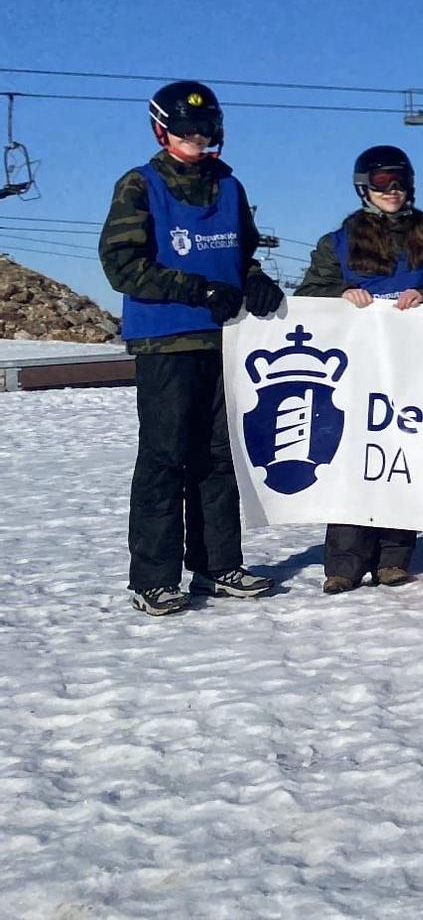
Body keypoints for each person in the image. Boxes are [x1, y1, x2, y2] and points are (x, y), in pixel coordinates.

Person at [100, 81, 284, 615]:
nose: (195, 138)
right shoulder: (140, 184)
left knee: (220, 456)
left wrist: (254, 279)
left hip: (225, 340)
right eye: (184, 129)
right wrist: (196, 289)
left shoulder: (229, 186)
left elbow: (245, 251)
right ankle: (153, 578)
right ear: (162, 130)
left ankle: (217, 565)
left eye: (204, 129)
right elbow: (122, 264)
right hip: (166, 341)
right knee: (166, 456)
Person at [295, 145, 423, 593]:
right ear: (364, 188)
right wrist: (340, 294)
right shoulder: (338, 241)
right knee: (353, 459)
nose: (392, 191)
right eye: (382, 182)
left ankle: (393, 557)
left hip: (408, 367)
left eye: (400, 182)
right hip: (355, 369)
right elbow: (310, 293)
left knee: (399, 458)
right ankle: (345, 563)